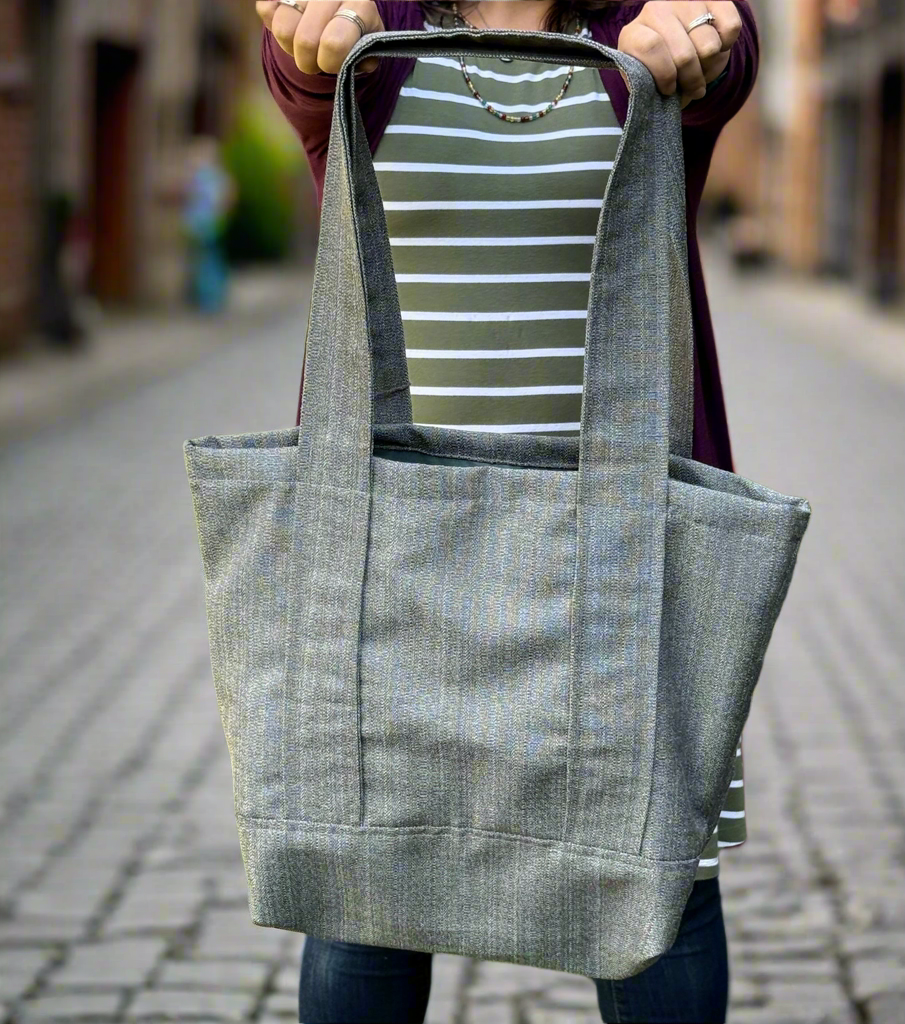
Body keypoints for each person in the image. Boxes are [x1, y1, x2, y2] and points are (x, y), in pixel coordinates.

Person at [258, 2, 757, 1021]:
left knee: (656, 889)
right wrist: (304, 34)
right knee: (363, 899)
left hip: (620, 556)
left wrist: (708, 35)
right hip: (388, 550)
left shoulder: (642, 22)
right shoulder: (371, 34)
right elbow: (303, 64)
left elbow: (726, 48)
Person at [182, 136, 237, 313]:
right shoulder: (218, 177)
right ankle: (212, 298)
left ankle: (208, 300)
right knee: (211, 261)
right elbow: (227, 200)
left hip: (202, 226)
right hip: (211, 225)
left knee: (205, 263)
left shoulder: (202, 177)